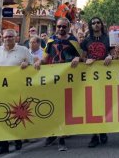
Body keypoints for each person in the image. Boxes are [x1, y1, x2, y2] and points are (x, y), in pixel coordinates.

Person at [0, 29, 40, 156]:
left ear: (16, 38)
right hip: (0, 90)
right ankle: (2, 146)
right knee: (1, 116)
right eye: (5, 37)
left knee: (18, 115)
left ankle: (18, 140)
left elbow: (32, 66)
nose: (7, 39)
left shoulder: (23, 50)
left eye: (10, 36)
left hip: (18, 90)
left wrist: (26, 64)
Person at [43, 17, 81, 151]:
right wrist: (37, 63)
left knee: (64, 109)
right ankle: (53, 134)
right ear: (56, 27)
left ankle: (61, 139)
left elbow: (81, 56)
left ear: (68, 27)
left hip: (68, 78)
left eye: (64, 26)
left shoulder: (73, 41)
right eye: (59, 26)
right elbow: (45, 57)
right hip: (53, 78)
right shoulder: (51, 40)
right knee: (53, 107)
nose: (61, 29)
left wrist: (77, 57)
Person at [80, 17, 112, 148]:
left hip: (105, 76)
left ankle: (103, 131)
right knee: (92, 107)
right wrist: (85, 59)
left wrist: (110, 56)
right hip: (90, 77)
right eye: (93, 23)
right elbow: (82, 57)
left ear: (101, 25)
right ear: (90, 26)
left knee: (103, 105)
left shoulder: (108, 39)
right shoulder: (86, 41)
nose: (96, 25)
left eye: (98, 22)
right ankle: (94, 135)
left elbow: (113, 54)